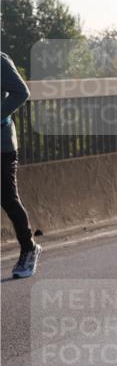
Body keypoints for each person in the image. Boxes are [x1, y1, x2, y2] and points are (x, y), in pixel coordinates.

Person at [2, 52, 41, 279]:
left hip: (2, 145)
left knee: (7, 198)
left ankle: (29, 248)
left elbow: (21, 92)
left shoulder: (1, 60)